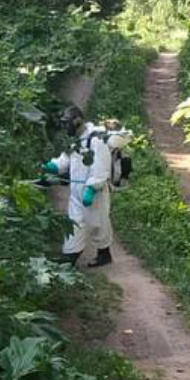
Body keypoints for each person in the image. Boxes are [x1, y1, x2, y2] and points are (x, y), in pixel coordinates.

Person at [43, 107, 116, 268]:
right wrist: (51, 167)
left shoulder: (96, 139)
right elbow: (65, 160)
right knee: (75, 222)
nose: (64, 128)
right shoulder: (74, 140)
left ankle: (104, 255)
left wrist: (92, 188)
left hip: (94, 192)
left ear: (77, 122)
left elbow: (101, 167)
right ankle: (69, 256)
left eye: (66, 124)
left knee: (98, 223)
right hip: (76, 192)